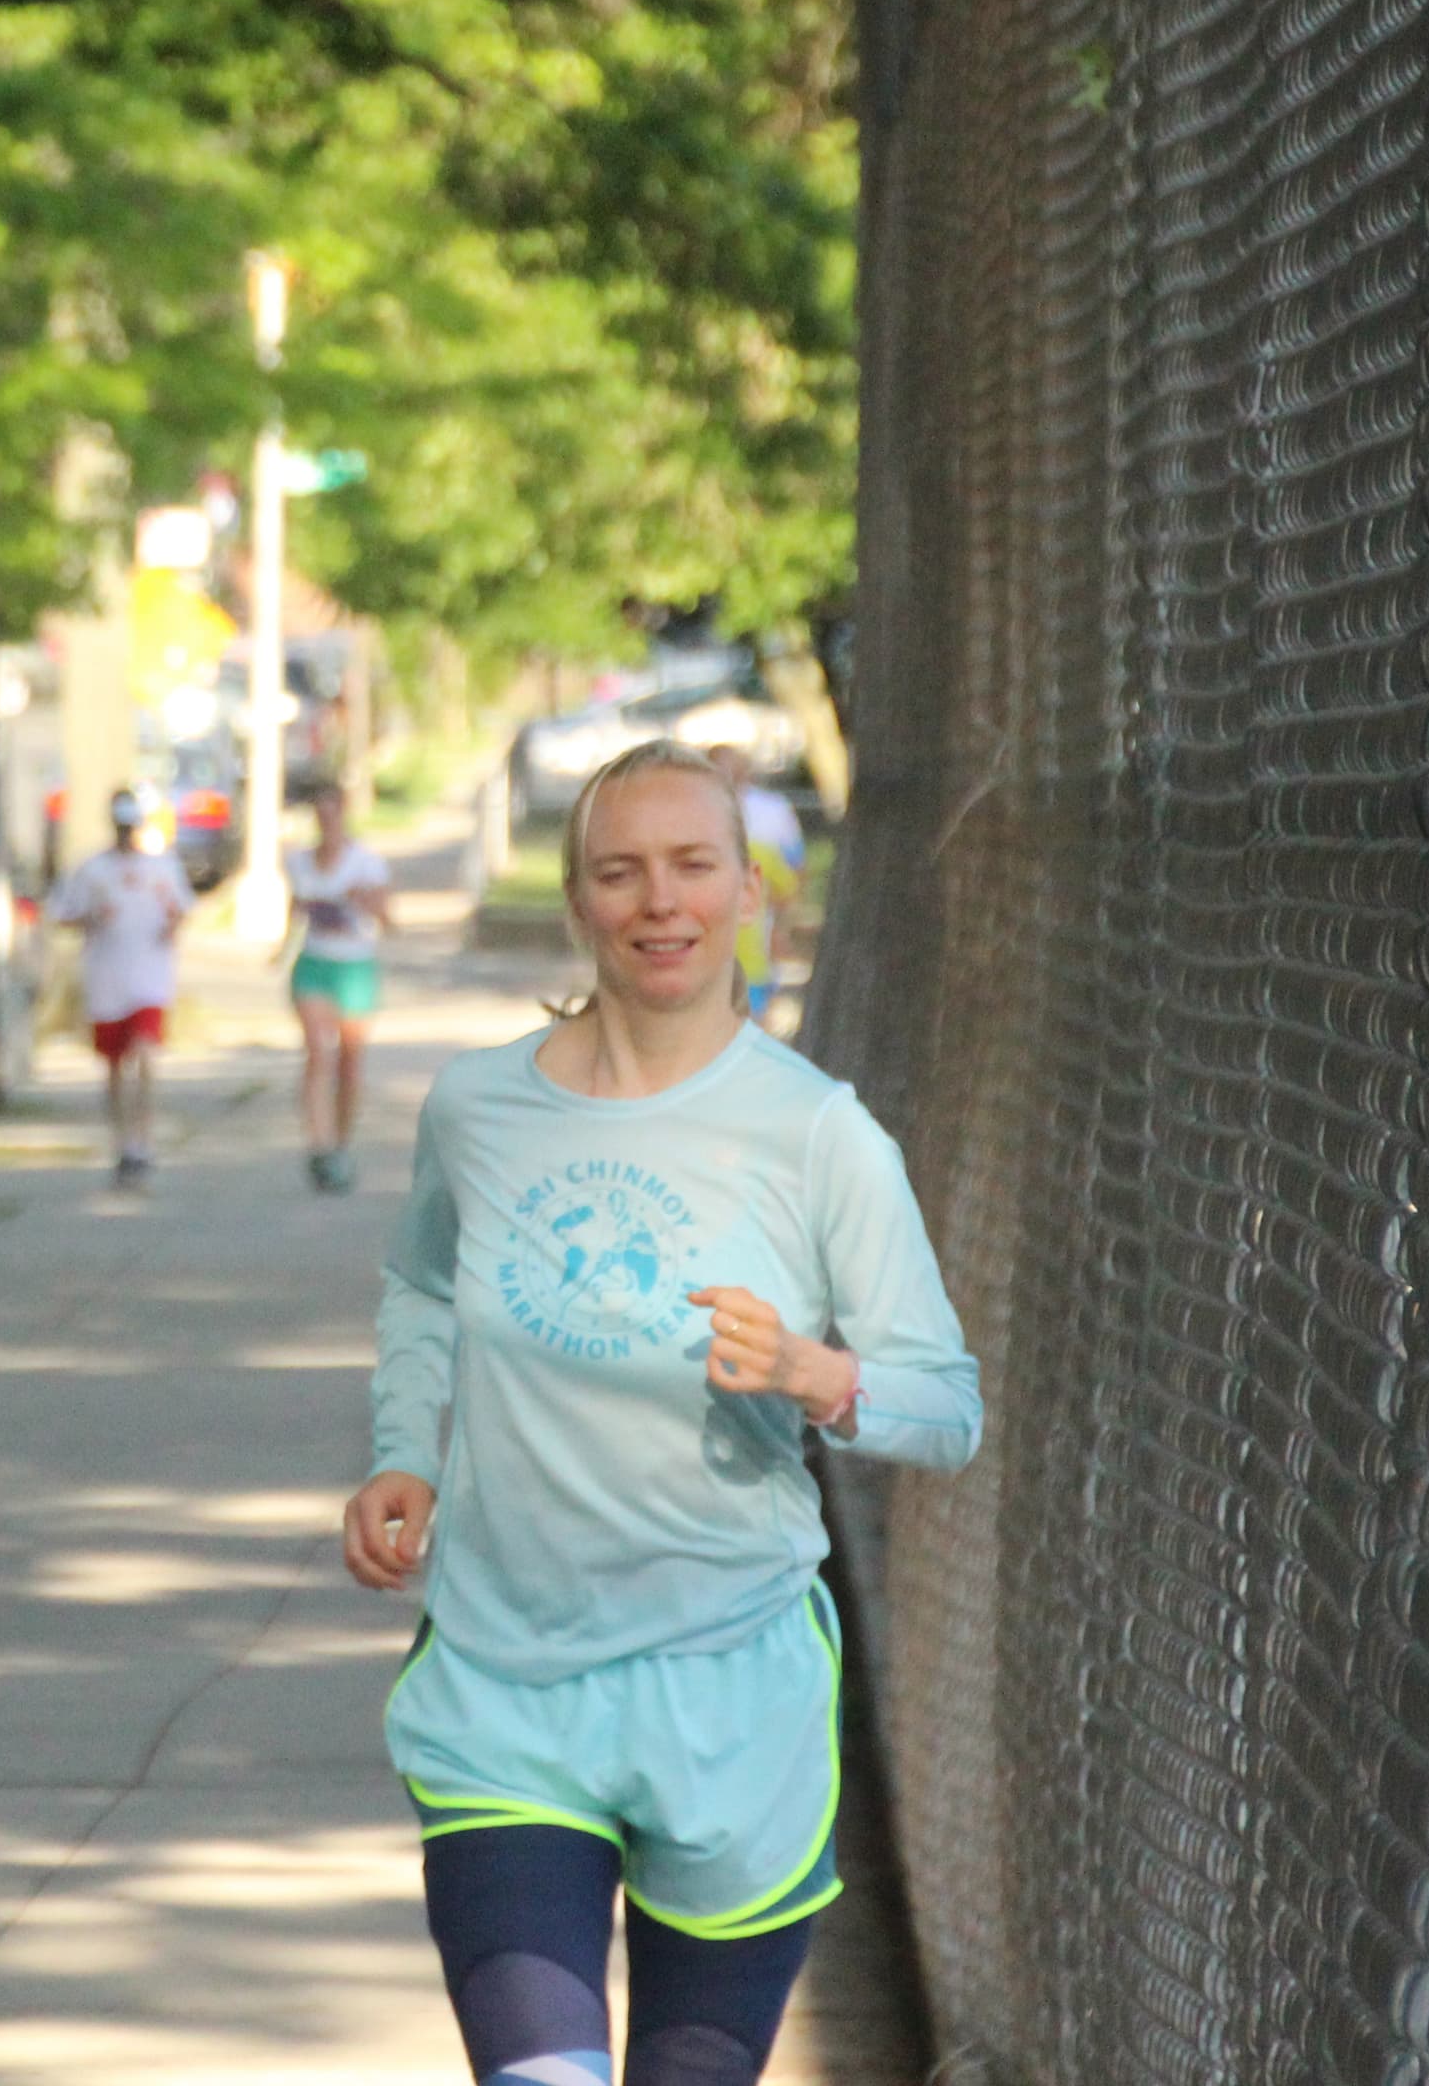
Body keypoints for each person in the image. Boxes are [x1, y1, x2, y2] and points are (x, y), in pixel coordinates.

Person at [341, 737, 978, 2086]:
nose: (659, 901)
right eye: (620, 872)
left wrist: (818, 1374)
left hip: (730, 1693)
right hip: (510, 1687)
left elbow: (947, 1407)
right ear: (579, 903)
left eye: (693, 866)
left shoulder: (819, 1135)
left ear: (751, 891)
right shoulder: (479, 1108)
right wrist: (408, 1452)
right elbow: (418, 1284)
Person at [49, 788, 192, 1188]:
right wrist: (93, 917)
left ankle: (143, 1143)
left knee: (145, 1054)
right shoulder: (93, 871)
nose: (127, 834)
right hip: (107, 978)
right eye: (121, 826)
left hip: (150, 977)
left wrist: (172, 925)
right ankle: (122, 1144)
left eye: (132, 826)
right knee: (114, 1066)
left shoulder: (162, 868)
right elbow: (62, 913)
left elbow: (183, 909)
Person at [284, 780, 393, 1194]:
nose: (327, 821)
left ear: (343, 814)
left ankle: (341, 1143)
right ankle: (320, 1144)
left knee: (350, 1062)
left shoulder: (366, 863)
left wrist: (366, 902)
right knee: (317, 1052)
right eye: (320, 813)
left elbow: (388, 920)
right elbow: (293, 910)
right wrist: (281, 947)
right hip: (313, 964)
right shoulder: (299, 862)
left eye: (333, 813)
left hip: (355, 967)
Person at [702, 745, 805, 1024]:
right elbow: (791, 881)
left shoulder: (770, 817)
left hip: (745, 956)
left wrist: (778, 928)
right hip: (724, 959)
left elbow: (792, 878)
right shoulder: (764, 832)